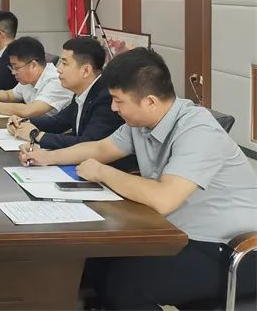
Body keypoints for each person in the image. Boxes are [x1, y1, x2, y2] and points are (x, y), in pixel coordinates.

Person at [19, 48, 257, 310]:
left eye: (118, 101)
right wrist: (46, 157)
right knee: (93, 261)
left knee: (127, 284)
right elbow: (100, 148)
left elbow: (164, 198)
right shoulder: (142, 125)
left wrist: (103, 172)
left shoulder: (198, 130)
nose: (113, 108)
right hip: (179, 234)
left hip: (233, 249)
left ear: (150, 101)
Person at [7, 37, 123, 148]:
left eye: (64, 63)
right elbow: (59, 122)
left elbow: (87, 143)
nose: (59, 69)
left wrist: (36, 135)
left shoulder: (106, 98)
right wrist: (24, 122)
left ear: (86, 70)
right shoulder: (82, 91)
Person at [0, 36, 72, 118]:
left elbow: (28, 110)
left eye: (16, 67)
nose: (13, 72)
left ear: (33, 65)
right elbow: (10, 95)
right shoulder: (28, 79)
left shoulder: (56, 80)